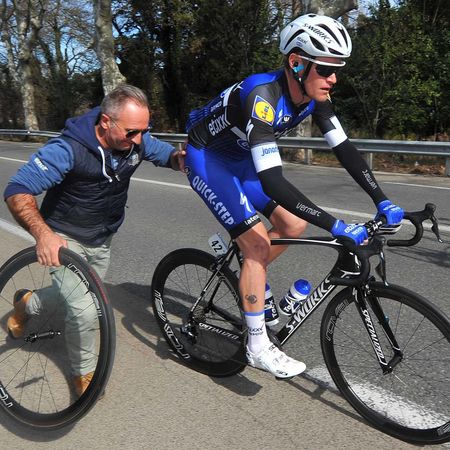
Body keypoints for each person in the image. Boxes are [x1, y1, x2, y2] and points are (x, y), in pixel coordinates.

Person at [184, 14, 404, 379]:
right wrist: (336, 225)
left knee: (293, 224)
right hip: (208, 160)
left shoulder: (314, 97)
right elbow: (273, 182)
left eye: (337, 70)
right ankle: (257, 346)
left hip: (241, 161)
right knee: (257, 245)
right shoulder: (262, 96)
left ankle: (250, 275)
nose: (333, 79)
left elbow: (345, 150)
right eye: (326, 69)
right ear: (297, 63)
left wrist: (382, 200)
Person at [4, 84, 185, 395]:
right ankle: (85, 374)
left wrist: (177, 158)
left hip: (102, 237)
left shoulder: (136, 140)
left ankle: (27, 303)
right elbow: (17, 190)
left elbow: (163, 152)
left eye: (144, 130)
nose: (138, 139)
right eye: (131, 132)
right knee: (86, 310)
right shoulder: (67, 149)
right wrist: (44, 234)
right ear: (105, 122)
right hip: (65, 238)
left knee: (79, 296)